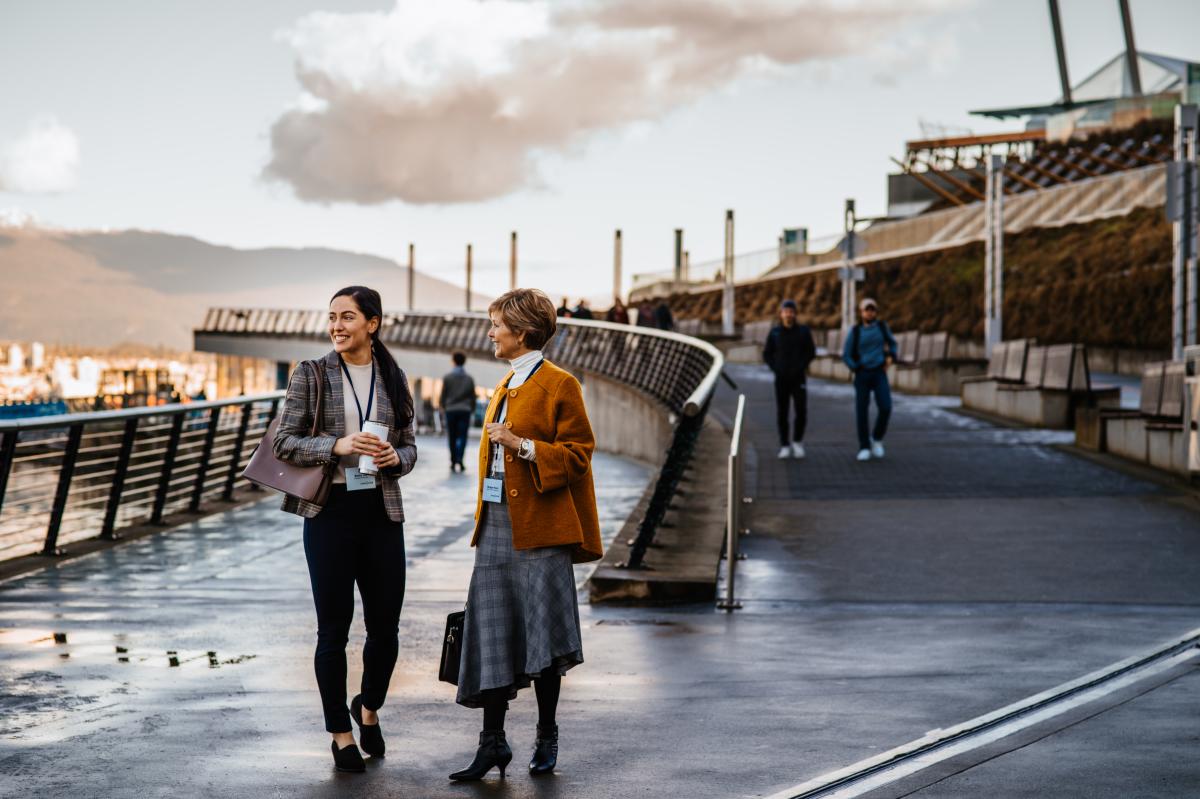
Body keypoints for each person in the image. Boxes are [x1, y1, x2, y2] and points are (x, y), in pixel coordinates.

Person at [450, 287, 602, 782]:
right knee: (492, 630)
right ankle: (492, 742)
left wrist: (522, 446)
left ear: (522, 331)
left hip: (541, 529)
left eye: (496, 324)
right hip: (495, 525)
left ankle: (546, 735)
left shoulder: (561, 385)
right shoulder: (503, 384)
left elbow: (579, 453)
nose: (490, 333)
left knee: (543, 636)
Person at [273, 285, 417, 773]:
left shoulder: (394, 377)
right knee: (332, 631)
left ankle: (369, 707)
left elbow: (412, 446)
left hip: (381, 513)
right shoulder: (311, 375)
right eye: (332, 317)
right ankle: (339, 733)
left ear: (372, 324)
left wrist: (397, 457)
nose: (337, 326)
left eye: (347, 317)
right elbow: (285, 443)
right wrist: (336, 446)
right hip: (329, 514)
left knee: (386, 630)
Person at [842, 297, 897, 462]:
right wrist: (855, 366)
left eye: (872, 309)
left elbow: (892, 344)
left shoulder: (882, 327)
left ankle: (877, 439)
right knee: (862, 411)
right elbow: (846, 354)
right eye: (867, 309)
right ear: (861, 312)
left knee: (886, 407)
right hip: (862, 374)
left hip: (879, 372)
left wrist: (891, 357)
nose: (870, 312)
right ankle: (864, 446)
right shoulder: (856, 331)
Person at [763, 299, 815, 460]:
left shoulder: (803, 331)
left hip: (798, 378)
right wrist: (775, 368)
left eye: (791, 311)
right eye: (786, 311)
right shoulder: (775, 332)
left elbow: (810, 352)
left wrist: (801, 366)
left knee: (801, 411)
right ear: (781, 313)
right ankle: (784, 445)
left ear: (795, 313)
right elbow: (767, 354)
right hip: (781, 378)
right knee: (782, 412)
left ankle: (797, 442)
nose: (788, 314)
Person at [441, 352, 476, 473]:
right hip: (465, 410)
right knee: (462, 436)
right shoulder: (469, 379)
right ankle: (460, 459)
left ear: (454, 361)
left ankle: (452, 460)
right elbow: (472, 396)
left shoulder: (448, 377)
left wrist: (443, 407)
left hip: (451, 410)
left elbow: (443, 395)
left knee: (452, 436)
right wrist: (472, 408)